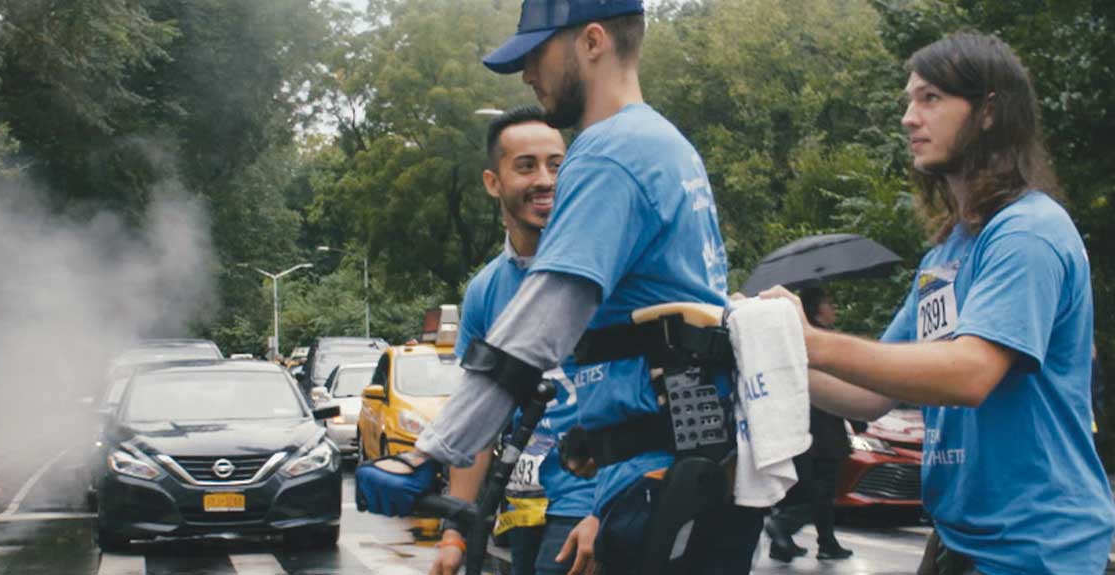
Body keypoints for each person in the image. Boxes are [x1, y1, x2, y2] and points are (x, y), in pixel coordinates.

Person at [356, 1, 759, 572]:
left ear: (592, 42)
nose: (527, 75)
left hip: (652, 479)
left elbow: (544, 321)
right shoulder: (671, 147)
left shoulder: (607, 152)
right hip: (689, 468)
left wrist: (428, 452)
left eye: (536, 54)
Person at [761, 33, 1115, 574]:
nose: (908, 117)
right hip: (961, 543)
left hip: (1034, 550)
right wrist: (766, 347)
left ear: (989, 112)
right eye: (909, 100)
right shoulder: (948, 253)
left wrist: (811, 339)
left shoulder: (1028, 233)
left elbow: (969, 374)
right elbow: (868, 393)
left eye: (930, 98)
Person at [427, 106, 595, 575]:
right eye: (526, 166)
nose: (545, 180)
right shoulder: (484, 291)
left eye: (556, 165)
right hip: (521, 503)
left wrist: (605, 508)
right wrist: (454, 533)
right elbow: (478, 419)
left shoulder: (600, 270)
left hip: (588, 498)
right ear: (492, 182)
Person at [762, 287, 853, 562]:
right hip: (822, 427)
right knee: (821, 491)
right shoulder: (819, 341)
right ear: (815, 309)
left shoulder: (794, 336)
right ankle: (785, 527)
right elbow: (840, 383)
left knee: (806, 488)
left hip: (799, 426)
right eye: (828, 302)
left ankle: (798, 543)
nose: (833, 308)